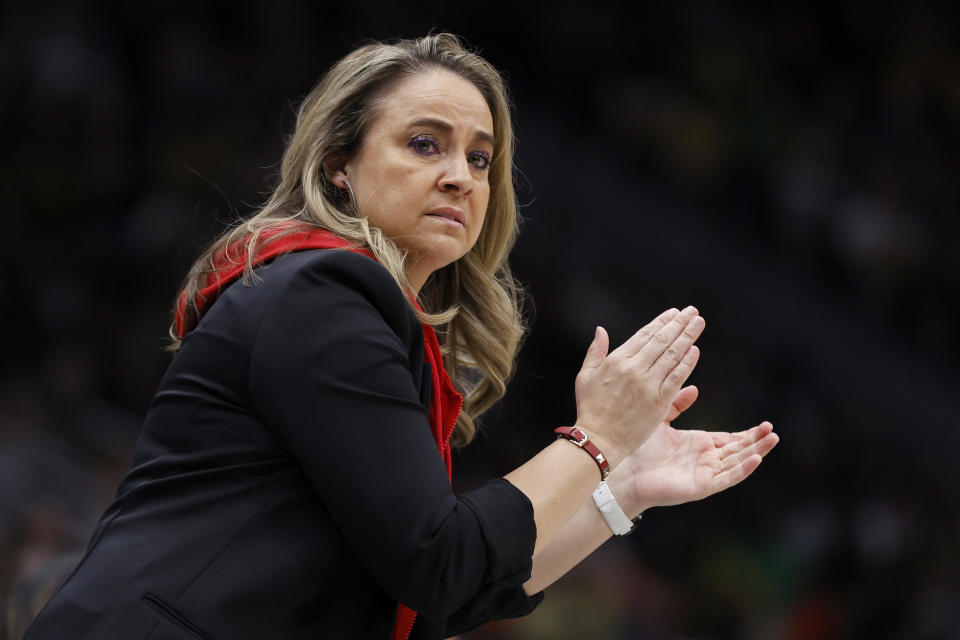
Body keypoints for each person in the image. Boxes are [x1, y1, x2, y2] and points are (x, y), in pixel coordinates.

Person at [24, 34, 778, 639]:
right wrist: (593, 440)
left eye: (481, 158)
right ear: (338, 167)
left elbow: (438, 602)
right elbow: (438, 558)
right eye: (426, 144)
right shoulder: (320, 294)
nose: (462, 176)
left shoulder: (346, 311)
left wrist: (617, 492)